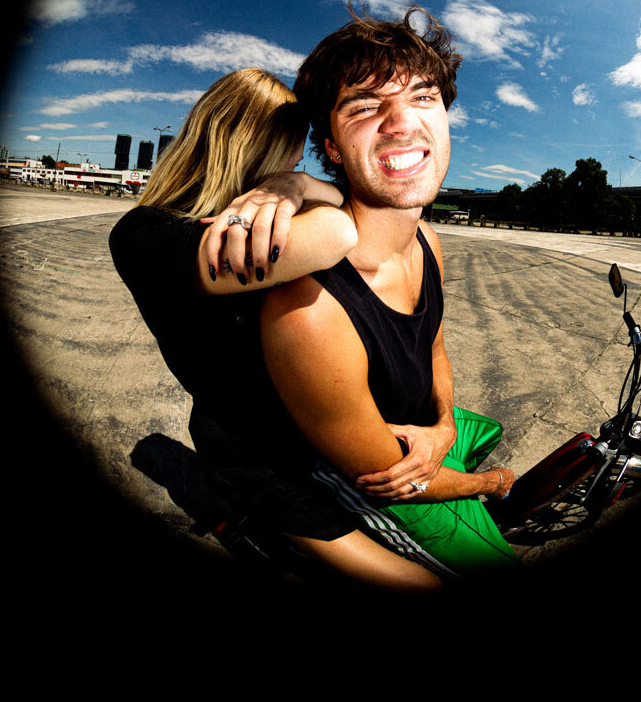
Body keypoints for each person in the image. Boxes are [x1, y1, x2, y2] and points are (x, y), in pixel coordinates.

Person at [109, 67, 443, 592]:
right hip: (263, 458)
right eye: (285, 155)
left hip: (316, 431)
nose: (293, 165)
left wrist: (292, 185)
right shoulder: (145, 236)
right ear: (246, 147)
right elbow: (337, 230)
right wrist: (291, 191)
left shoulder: (267, 209)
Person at [259, 6, 519, 581]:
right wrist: (491, 484)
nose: (402, 123)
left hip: (422, 435)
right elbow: (387, 475)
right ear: (329, 146)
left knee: (485, 431)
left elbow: (435, 348)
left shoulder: (427, 238)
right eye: (366, 105)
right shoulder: (307, 310)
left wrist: (444, 427)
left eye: (423, 97)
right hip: (375, 481)